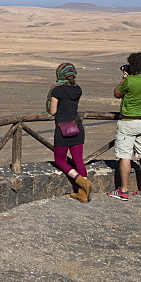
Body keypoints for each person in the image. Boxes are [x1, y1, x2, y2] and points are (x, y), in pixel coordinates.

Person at [108, 52, 141, 201]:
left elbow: (117, 94)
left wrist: (124, 78)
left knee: (125, 156)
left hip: (128, 122)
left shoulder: (130, 81)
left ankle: (124, 190)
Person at [46, 62, 92, 202]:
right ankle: (83, 194)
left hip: (63, 129)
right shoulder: (78, 89)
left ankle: (82, 182)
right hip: (77, 126)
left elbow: (53, 111)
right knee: (78, 161)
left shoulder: (57, 90)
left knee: (60, 160)